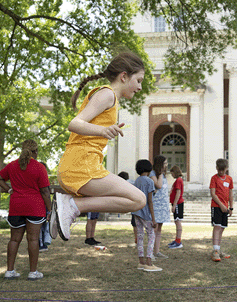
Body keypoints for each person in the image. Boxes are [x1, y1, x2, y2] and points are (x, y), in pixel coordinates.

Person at [51, 52, 147, 241]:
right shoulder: (107, 94)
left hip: (84, 166)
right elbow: (75, 123)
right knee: (139, 199)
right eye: (138, 80)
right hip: (80, 167)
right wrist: (102, 131)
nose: (140, 87)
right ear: (124, 76)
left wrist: (103, 130)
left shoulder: (110, 98)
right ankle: (72, 205)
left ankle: (71, 206)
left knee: (137, 200)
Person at [0, 139, 51, 281]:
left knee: (14, 240)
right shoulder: (39, 167)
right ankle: (33, 272)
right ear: (35, 151)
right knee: (33, 239)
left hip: (16, 206)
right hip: (35, 207)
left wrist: (8, 189)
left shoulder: (13, 165)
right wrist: (49, 210)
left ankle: (10, 271)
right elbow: (45, 191)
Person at [132, 159, 161, 272]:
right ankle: (149, 261)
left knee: (139, 236)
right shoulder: (149, 182)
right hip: (145, 213)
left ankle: (141, 262)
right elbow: (150, 201)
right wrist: (153, 219)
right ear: (149, 169)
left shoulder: (136, 181)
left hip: (136, 211)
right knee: (151, 235)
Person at [209, 158, 234, 262]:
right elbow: (213, 194)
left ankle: (218, 249)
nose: (221, 172)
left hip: (225, 207)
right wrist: (221, 205)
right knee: (217, 227)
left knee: (222, 228)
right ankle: (215, 250)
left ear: (226, 169)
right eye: (219, 170)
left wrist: (230, 207)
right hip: (216, 206)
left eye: (223, 170)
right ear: (216, 168)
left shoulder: (229, 179)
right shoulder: (214, 178)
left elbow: (231, 194)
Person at [150, 155, 170, 259]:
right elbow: (158, 185)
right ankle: (150, 252)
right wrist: (161, 174)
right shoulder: (153, 174)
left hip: (163, 205)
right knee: (154, 229)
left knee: (159, 230)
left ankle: (157, 251)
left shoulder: (163, 175)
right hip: (156, 205)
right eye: (165, 163)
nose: (166, 165)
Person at [118, 171, 139, 246]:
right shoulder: (133, 182)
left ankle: (137, 241)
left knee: (135, 224)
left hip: (134, 206)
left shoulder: (124, 184)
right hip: (140, 203)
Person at [168, 165, 184, 249]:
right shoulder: (178, 180)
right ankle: (177, 239)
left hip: (177, 203)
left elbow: (178, 193)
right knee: (176, 221)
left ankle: (178, 241)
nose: (172, 175)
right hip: (176, 203)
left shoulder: (178, 180)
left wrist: (174, 205)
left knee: (178, 221)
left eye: (172, 173)